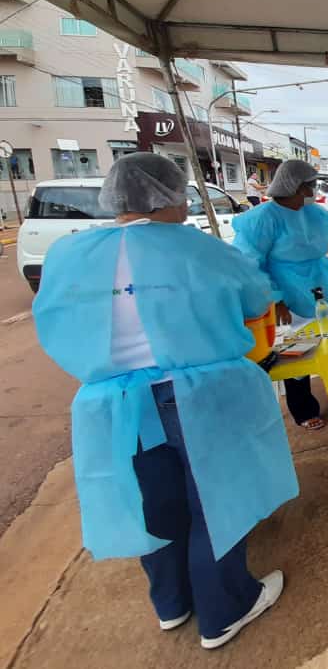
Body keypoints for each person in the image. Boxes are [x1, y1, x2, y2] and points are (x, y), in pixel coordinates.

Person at [33, 153, 297, 649]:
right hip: (198, 395)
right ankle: (225, 609)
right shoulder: (197, 248)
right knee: (216, 501)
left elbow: (52, 321)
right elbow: (255, 300)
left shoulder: (68, 254)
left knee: (154, 503)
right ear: (171, 194)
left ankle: (172, 603)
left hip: (115, 403)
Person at [232, 159, 328, 431]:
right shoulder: (262, 219)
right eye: (311, 185)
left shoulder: (314, 212)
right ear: (297, 187)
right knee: (297, 349)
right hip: (287, 287)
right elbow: (249, 264)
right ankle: (303, 408)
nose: (314, 190)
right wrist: (275, 299)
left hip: (325, 280)